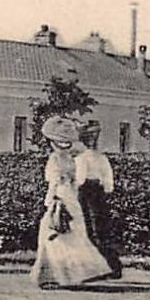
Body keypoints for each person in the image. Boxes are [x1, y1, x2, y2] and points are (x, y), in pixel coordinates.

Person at [31, 116, 110, 289]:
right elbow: (76, 181)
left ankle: (54, 275)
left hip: (60, 195)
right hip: (72, 197)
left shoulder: (54, 159)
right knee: (73, 233)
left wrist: (49, 200)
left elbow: (54, 182)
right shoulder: (72, 159)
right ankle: (73, 274)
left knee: (52, 232)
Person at [74, 122, 123, 280]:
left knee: (91, 228)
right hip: (97, 193)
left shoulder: (85, 159)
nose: (93, 141)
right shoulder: (97, 158)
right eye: (91, 138)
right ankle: (108, 267)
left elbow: (80, 180)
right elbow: (108, 182)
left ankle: (101, 267)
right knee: (100, 229)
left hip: (89, 192)